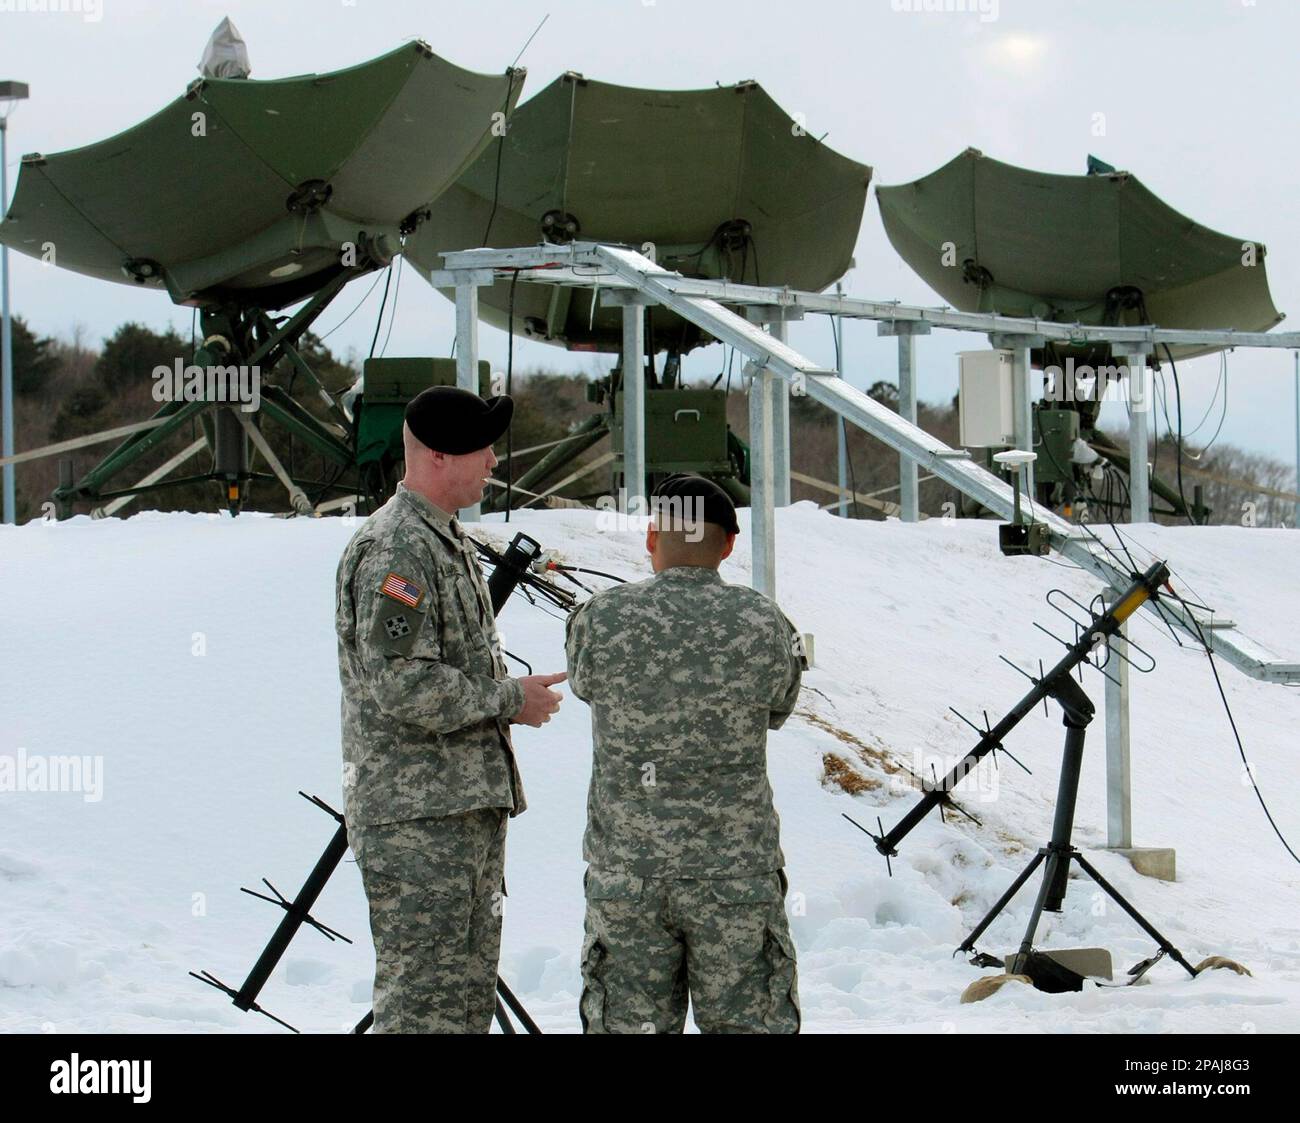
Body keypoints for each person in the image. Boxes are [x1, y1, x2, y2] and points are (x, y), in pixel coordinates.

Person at [335, 385, 565, 1034]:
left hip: (458, 814)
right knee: (421, 1012)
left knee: (462, 1011)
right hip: (418, 822)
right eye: (483, 447)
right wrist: (509, 698)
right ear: (440, 455)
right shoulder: (397, 549)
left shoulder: (444, 540)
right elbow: (401, 683)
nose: (494, 459)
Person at [565, 473, 805, 1034]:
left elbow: (584, 684)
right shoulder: (766, 623)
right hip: (735, 872)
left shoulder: (600, 618)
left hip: (628, 873)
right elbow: (778, 709)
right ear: (728, 544)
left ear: (652, 538)